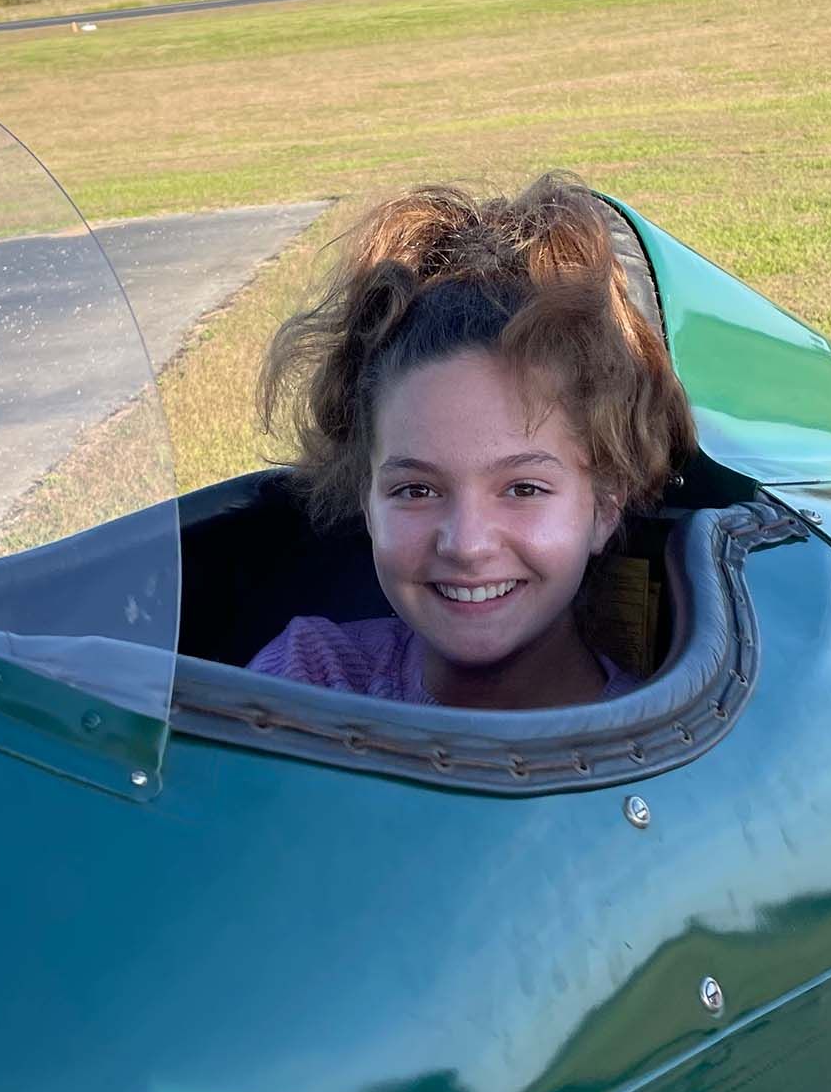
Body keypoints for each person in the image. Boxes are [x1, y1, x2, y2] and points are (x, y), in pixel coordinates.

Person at [248, 175, 694, 710]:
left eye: (523, 489)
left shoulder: (656, 746)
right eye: (416, 490)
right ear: (367, 504)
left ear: (604, 506)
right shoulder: (310, 675)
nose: (466, 544)